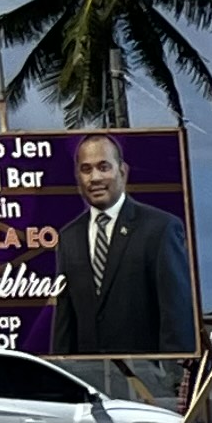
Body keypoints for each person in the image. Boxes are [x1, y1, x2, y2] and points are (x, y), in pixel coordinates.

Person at [53, 133, 190, 360]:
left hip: (149, 384)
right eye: (86, 170)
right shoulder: (69, 237)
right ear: (78, 177)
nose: (95, 177)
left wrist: (172, 379)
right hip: (89, 382)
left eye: (103, 167)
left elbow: (176, 313)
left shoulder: (160, 229)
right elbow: (65, 321)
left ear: (123, 172)